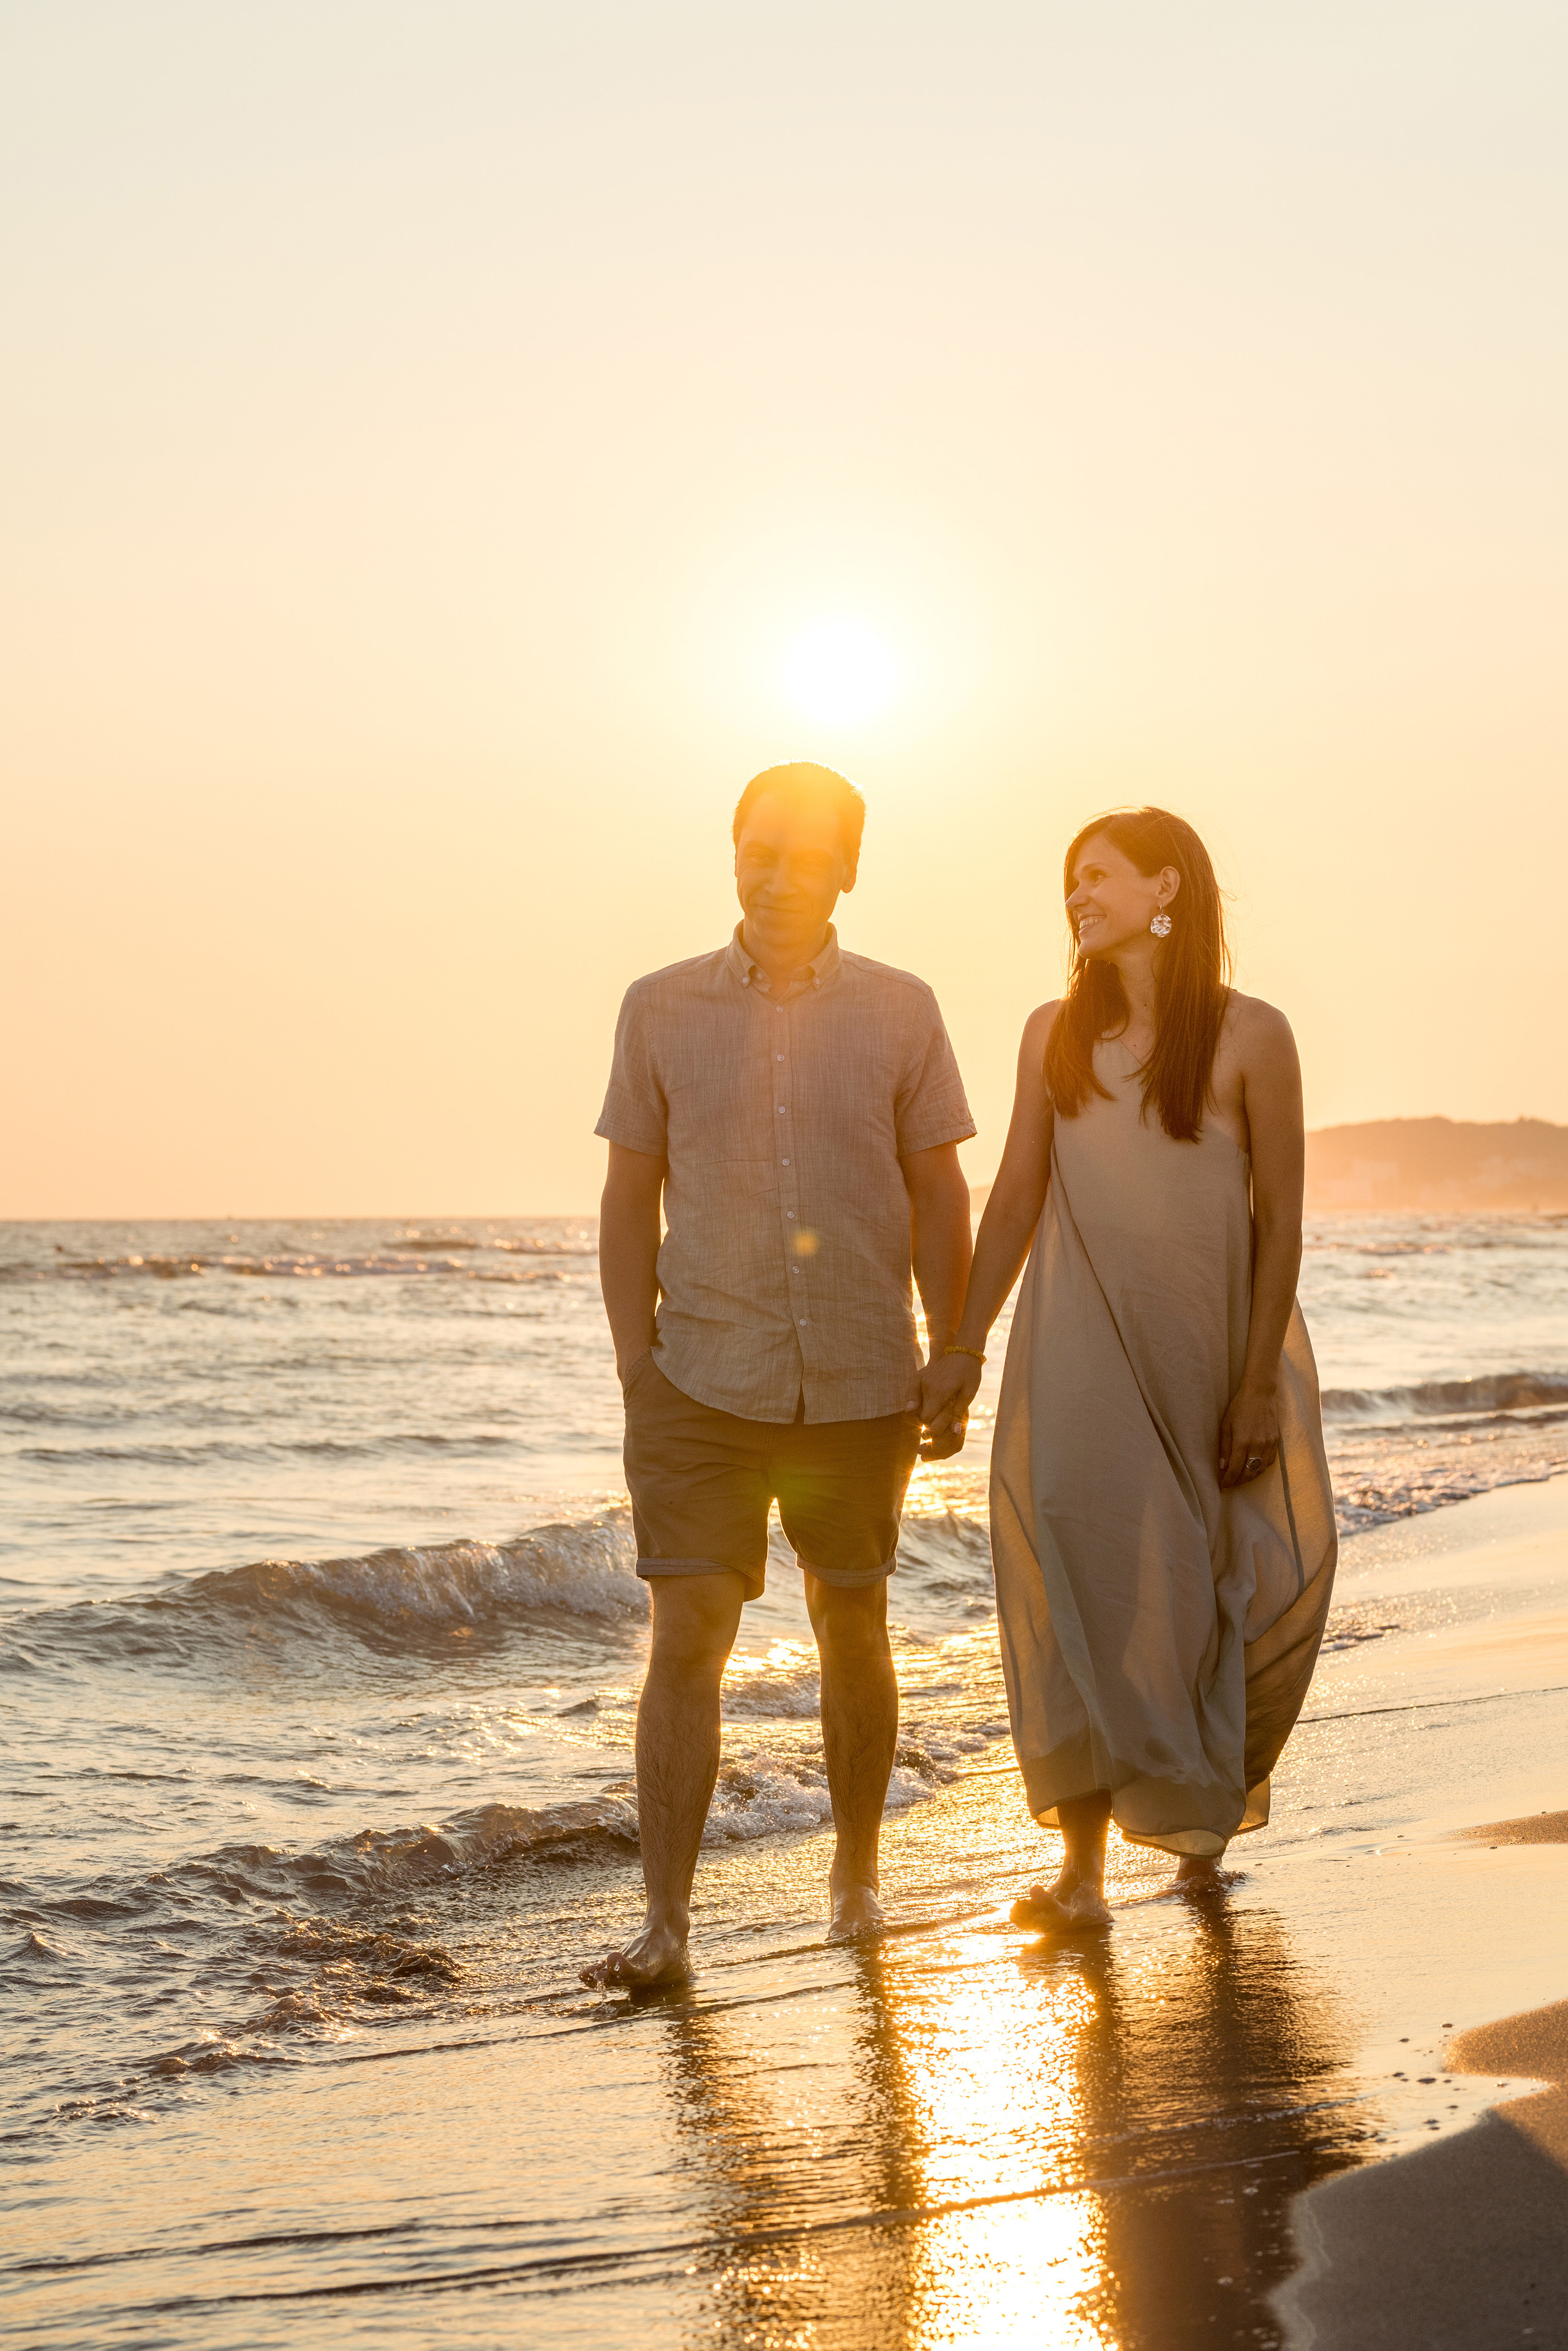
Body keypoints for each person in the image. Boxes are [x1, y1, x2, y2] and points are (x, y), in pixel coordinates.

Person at [584, 762, 976, 1987]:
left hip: (861, 1378)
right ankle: (667, 1924)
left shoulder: (902, 1009)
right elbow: (626, 1193)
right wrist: (634, 1362)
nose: (776, 872)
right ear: (731, 853)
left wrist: (952, 1345)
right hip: (696, 1377)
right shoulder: (656, 1007)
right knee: (686, 1629)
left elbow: (937, 1192)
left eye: (806, 853)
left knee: (849, 1617)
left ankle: (855, 1877)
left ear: (846, 868)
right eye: (757, 847)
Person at [921, 807, 1336, 1925]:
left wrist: (1255, 1382)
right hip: (1074, 1342)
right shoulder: (1052, 1029)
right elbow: (1011, 1196)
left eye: (1097, 876)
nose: (1077, 896)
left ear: (1166, 888)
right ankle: (1085, 1873)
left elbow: (1282, 1223)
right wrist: (961, 1342)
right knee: (1073, 1565)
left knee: (1206, 1580)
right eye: (1069, 880)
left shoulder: (1254, 1035)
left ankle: (1203, 1825)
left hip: (1208, 1347)